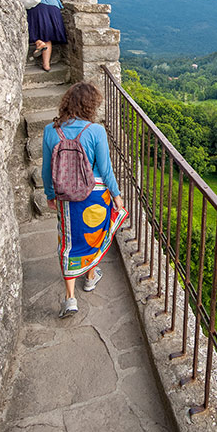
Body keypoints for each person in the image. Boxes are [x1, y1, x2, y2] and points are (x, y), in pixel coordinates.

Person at [42, 82, 128, 319]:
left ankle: (70, 298)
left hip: (65, 196)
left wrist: (50, 195)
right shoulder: (95, 131)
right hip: (94, 194)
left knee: (68, 242)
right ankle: (90, 278)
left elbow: (46, 169)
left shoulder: (51, 130)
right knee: (93, 236)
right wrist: (117, 196)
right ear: (90, 106)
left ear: (67, 103)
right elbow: (106, 169)